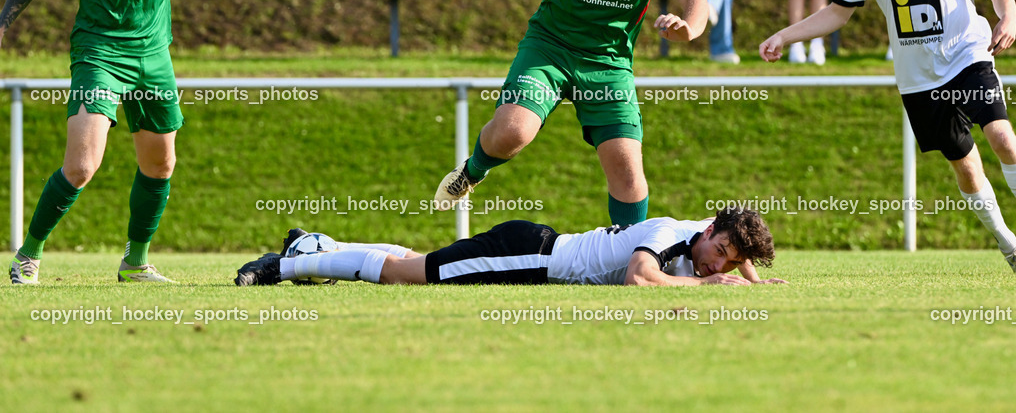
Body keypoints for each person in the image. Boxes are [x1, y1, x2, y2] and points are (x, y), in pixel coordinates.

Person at [3, 0, 248, 285]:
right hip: (100, 51)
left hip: (153, 53)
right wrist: (3, 23)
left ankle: (136, 262)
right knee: (81, 165)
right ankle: (27, 256)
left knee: (160, 163)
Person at [760, 0, 1016, 274]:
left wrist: (1007, 17)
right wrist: (784, 35)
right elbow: (838, 12)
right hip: (918, 79)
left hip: (968, 56)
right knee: (966, 166)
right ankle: (1010, 245)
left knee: (1002, 137)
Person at [433, 0, 709, 226]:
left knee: (627, 174)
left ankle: (631, 257)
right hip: (548, 48)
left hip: (608, 65)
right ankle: (471, 172)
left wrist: (690, 27)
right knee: (512, 133)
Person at [235, 206, 785, 287]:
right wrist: (706, 285)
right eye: (724, 253)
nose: (722, 264)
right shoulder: (668, 237)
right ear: (708, 232)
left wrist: (752, 276)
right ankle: (282, 266)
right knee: (410, 274)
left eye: (732, 261)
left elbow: (730, 254)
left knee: (411, 259)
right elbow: (642, 277)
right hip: (533, 257)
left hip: (534, 249)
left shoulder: (702, 231)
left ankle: (317, 245)